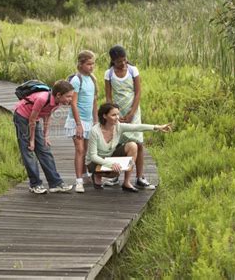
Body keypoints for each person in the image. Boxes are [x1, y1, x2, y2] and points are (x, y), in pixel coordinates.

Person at [86, 103, 172, 192]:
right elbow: (93, 157)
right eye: (113, 115)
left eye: (118, 114)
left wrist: (157, 127)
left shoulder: (118, 126)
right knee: (114, 172)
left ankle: (126, 182)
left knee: (133, 145)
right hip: (93, 163)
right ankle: (97, 174)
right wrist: (110, 164)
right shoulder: (95, 131)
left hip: (109, 157)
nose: (117, 117)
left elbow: (137, 127)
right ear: (104, 116)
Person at [104, 45, 153, 189]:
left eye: (125, 60)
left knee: (138, 143)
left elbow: (138, 92)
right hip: (117, 113)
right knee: (119, 144)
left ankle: (139, 177)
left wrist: (132, 113)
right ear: (113, 61)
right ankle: (116, 176)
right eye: (119, 61)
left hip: (133, 111)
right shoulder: (109, 73)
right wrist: (113, 115)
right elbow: (108, 96)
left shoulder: (133, 70)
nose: (123, 63)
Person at [14, 80, 74, 194]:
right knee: (29, 150)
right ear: (58, 95)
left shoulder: (57, 103)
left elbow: (47, 117)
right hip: (22, 117)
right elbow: (31, 121)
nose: (70, 99)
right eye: (68, 96)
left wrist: (45, 136)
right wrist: (31, 140)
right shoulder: (42, 99)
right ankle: (35, 184)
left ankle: (55, 183)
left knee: (44, 149)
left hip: (33, 119)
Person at [64, 50, 99, 193]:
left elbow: (94, 101)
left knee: (86, 151)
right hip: (76, 121)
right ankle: (79, 181)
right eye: (89, 64)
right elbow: (73, 103)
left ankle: (85, 175)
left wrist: (96, 121)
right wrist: (78, 124)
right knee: (79, 150)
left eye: (93, 64)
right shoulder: (76, 80)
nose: (92, 67)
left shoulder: (92, 79)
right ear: (81, 64)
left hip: (89, 121)